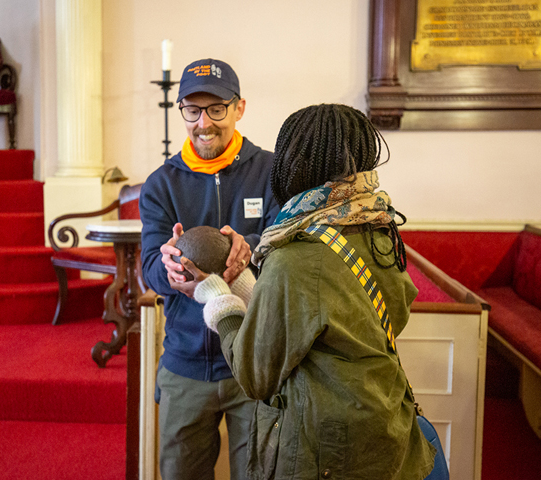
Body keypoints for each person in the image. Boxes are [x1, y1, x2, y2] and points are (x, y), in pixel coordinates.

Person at [186, 104, 438, 479]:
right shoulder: (379, 228)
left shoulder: (297, 254)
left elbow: (254, 374)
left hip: (327, 448)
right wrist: (247, 285)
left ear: (293, 164)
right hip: (383, 423)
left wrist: (218, 297)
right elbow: (347, 315)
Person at [139, 58, 280, 480]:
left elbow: (286, 244)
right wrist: (170, 271)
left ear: (239, 108)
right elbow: (150, 267)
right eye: (192, 110)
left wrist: (249, 248)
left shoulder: (272, 171)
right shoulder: (161, 184)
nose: (204, 123)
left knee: (259, 474)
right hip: (185, 364)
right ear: (180, 110)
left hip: (254, 362)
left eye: (217, 109)